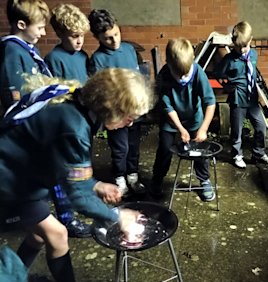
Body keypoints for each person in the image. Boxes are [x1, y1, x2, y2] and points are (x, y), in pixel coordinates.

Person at [0, 68, 155, 282]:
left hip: (20, 172)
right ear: (110, 108)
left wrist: (94, 185)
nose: (130, 123)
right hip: (10, 184)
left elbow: (65, 166)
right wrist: (118, 216)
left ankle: (18, 275)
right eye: (128, 116)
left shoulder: (73, 96)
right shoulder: (74, 128)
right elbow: (78, 198)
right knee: (57, 234)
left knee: (40, 235)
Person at [0, 0, 91, 239]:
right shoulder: (12, 51)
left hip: (44, 124)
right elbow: (16, 99)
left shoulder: (28, 50)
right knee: (54, 173)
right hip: (32, 129)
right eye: (40, 28)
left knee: (55, 172)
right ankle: (63, 219)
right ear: (21, 24)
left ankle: (59, 217)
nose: (43, 33)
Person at [150, 38, 216, 201]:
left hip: (194, 119)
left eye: (186, 73)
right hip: (171, 121)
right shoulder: (164, 76)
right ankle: (157, 181)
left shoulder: (198, 72)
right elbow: (167, 107)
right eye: (178, 74)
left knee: (200, 152)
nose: (182, 77)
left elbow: (210, 102)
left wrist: (203, 128)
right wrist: (180, 129)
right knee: (164, 150)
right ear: (169, 64)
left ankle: (204, 180)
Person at [88, 9, 145, 196]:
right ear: (97, 37)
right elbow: (101, 92)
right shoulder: (98, 59)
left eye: (116, 34)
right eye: (108, 39)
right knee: (121, 148)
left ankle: (133, 175)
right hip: (117, 115)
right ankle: (120, 177)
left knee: (134, 145)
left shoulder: (129, 50)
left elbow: (138, 79)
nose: (114, 41)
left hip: (134, 111)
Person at [215, 21, 268, 169]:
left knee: (261, 127)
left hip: (252, 100)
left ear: (251, 40)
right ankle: (237, 155)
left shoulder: (253, 54)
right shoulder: (229, 60)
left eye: (245, 46)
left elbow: (253, 74)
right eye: (238, 46)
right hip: (237, 100)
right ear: (233, 43)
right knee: (237, 131)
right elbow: (218, 73)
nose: (242, 50)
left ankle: (258, 153)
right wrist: (227, 85)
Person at [44, 3, 90, 84]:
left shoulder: (83, 55)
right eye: (75, 36)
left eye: (82, 35)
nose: (80, 41)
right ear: (60, 34)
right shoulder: (53, 59)